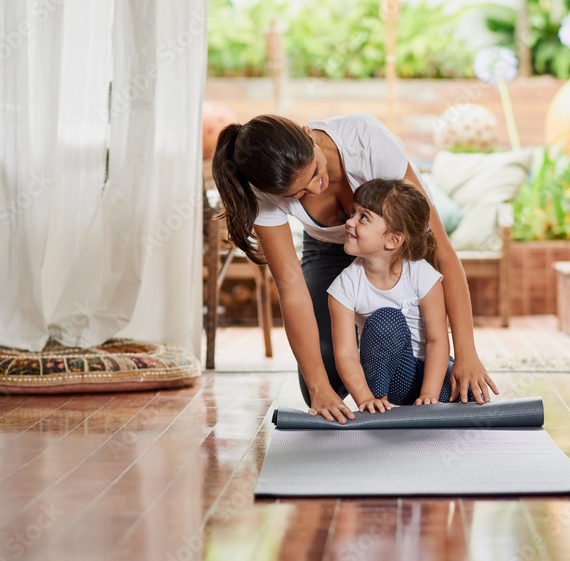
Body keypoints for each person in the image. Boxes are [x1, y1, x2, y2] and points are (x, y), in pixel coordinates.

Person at [212, 112, 498, 423]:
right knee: (320, 381)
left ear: (308, 134)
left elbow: (442, 250)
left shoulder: (366, 141)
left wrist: (467, 352)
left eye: (315, 174)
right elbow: (290, 284)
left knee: (416, 338)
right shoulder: (262, 189)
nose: (315, 190)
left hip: (394, 244)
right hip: (328, 250)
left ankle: (401, 362)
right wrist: (321, 388)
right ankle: (367, 359)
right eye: (298, 194)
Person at [329, 179, 452, 412]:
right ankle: (380, 404)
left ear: (393, 239)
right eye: (353, 212)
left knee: (465, 390)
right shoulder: (344, 287)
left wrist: (429, 395)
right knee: (386, 319)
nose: (350, 221)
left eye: (363, 217)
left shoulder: (423, 275)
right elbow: (345, 354)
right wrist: (365, 399)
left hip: (430, 374)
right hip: (393, 379)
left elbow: (437, 341)